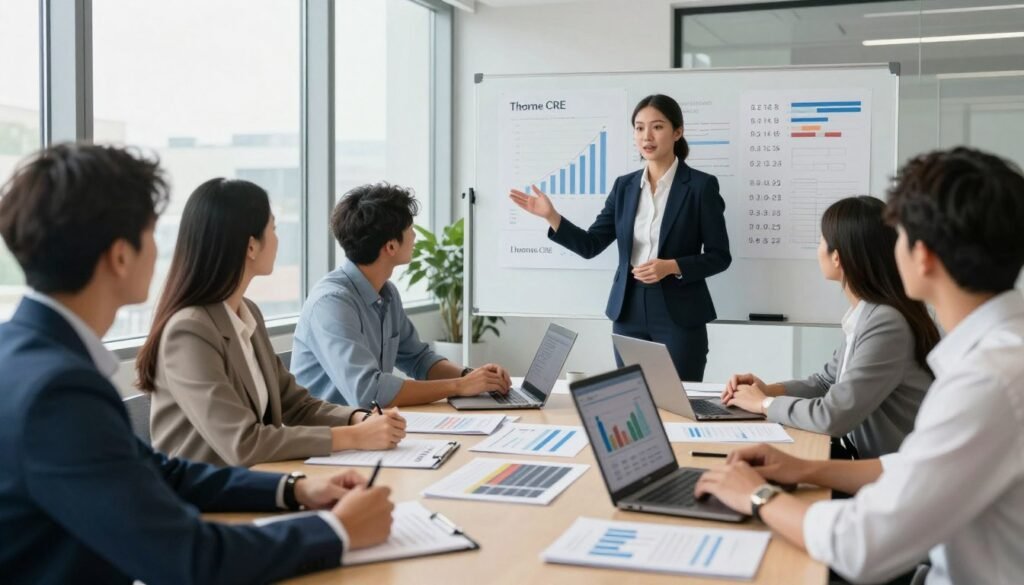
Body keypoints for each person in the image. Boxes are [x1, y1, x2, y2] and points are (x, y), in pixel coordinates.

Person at [0, 144, 393, 583]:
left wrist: (293, 489)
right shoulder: (58, 391)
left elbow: (157, 471)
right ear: (120, 255)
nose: (163, 250)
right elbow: (188, 558)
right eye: (152, 234)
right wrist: (335, 531)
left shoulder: (26, 356)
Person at [695, 147, 1024, 585]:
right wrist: (805, 468)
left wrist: (756, 495)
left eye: (899, 237)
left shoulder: (987, 381)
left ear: (922, 256)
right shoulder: (997, 358)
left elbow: (861, 545)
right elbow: (912, 464)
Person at [136, 178, 406, 467]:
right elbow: (244, 443)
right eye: (273, 229)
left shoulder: (246, 312)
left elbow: (295, 404)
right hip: (208, 501)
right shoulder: (189, 331)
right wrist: (354, 436)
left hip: (258, 481)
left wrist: (359, 418)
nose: (278, 240)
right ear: (251, 246)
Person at [509, 94, 730, 382]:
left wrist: (671, 266)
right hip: (629, 310)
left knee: (679, 402)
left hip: (679, 312)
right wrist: (552, 216)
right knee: (634, 399)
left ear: (677, 132)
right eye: (639, 128)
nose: (646, 136)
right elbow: (591, 245)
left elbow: (719, 256)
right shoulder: (624, 187)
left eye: (657, 127)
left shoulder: (701, 187)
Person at [719, 196, 939, 460]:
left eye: (822, 240)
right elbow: (826, 382)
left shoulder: (885, 323)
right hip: (870, 465)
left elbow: (833, 417)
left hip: (893, 478)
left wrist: (763, 404)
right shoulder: (867, 314)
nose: (818, 248)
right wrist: (769, 389)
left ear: (838, 257)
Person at [292, 182, 512, 408]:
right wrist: (459, 386)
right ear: (390, 247)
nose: (415, 235)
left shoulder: (386, 293)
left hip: (368, 427)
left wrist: (471, 376)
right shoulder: (332, 303)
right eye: (409, 228)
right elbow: (370, 392)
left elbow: (419, 359)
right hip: (329, 436)